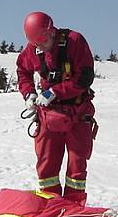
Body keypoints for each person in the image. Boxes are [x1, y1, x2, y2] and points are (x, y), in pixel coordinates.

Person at [17, 11, 96, 204]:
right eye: (37, 45)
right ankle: (50, 208)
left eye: (43, 43)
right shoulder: (33, 49)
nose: (41, 48)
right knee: (47, 167)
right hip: (49, 117)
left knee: (77, 167)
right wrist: (29, 94)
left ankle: (73, 210)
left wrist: (55, 92)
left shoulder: (75, 42)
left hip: (77, 113)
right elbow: (22, 71)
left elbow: (84, 78)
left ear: (52, 32)